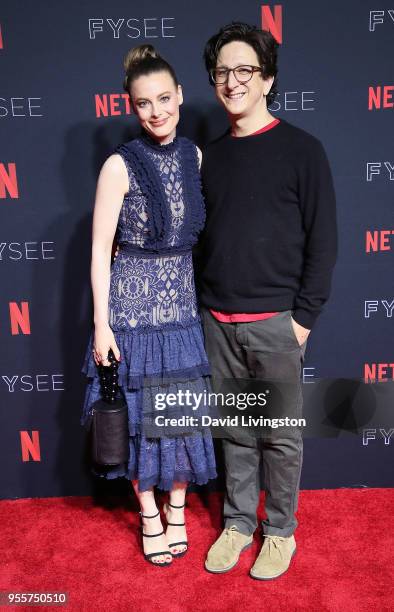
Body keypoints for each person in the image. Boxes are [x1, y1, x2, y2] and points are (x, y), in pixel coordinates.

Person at [198, 23, 337, 579]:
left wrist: (303, 319)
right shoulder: (208, 158)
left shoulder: (303, 150)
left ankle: (279, 532)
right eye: (223, 72)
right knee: (234, 431)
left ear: (267, 78)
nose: (233, 81)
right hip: (218, 321)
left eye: (245, 70)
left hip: (278, 323)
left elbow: (323, 239)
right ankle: (238, 523)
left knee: (279, 437)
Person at [81, 44, 217, 567]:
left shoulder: (195, 157)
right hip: (132, 316)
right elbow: (99, 251)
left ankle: (178, 507)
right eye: (144, 103)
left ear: (181, 96)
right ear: (131, 107)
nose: (157, 111)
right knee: (138, 420)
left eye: (165, 98)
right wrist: (101, 325)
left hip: (181, 311)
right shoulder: (119, 165)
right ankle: (149, 513)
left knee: (179, 417)